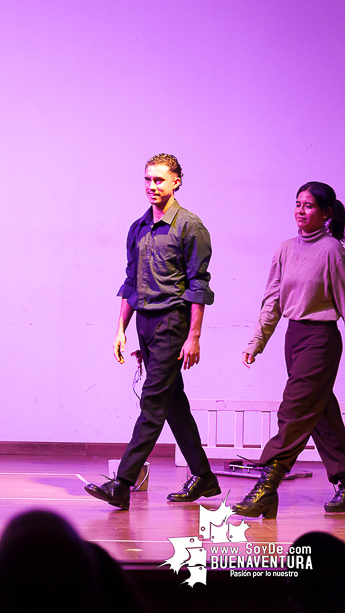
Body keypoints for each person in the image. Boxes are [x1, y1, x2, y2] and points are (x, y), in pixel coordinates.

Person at [85, 154, 219, 509]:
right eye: (147, 180)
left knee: (153, 403)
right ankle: (203, 477)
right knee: (173, 404)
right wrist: (120, 330)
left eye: (159, 180)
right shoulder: (138, 227)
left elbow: (198, 287)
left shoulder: (190, 227)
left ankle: (123, 483)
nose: (152, 187)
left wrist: (194, 337)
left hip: (172, 324)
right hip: (145, 323)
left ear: (177, 182)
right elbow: (131, 281)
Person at [234, 182, 345, 518]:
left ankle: (267, 485)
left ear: (326, 213)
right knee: (321, 414)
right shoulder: (285, 249)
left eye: (309, 205)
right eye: (297, 204)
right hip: (293, 338)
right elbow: (273, 301)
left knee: (294, 412)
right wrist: (257, 341)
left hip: (321, 339)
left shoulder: (332, 251)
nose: (300, 210)